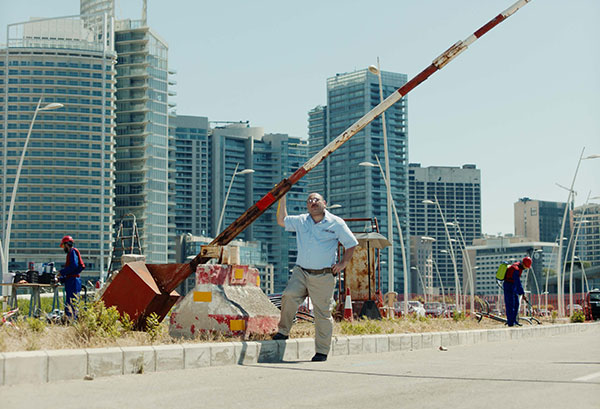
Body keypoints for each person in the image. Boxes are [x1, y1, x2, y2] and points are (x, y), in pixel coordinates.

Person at [273, 192, 358, 362]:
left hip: (323, 275)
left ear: (324, 203)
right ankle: (283, 332)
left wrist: (343, 263)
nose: (313, 202)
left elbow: (351, 243)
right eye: (309, 200)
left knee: (322, 313)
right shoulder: (302, 220)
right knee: (288, 296)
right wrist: (282, 198)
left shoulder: (336, 223)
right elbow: (282, 220)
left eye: (316, 200)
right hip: (301, 272)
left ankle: (321, 351)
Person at [58, 235, 85, 319]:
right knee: (70, 301)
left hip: (73, 281)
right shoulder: (71, 253)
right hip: (71, 280)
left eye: (63, 246)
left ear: (66, 244)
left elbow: (73, 266)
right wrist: (62, 278)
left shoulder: (72, 252)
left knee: (72, 302)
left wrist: (61, 272)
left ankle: (72, 320)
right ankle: (70, 319)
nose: (63, 248)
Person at [503, 256, 531, 327]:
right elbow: (517, 282)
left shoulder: (519, 266)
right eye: (526, 267)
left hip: (513, 286)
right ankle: (510, 323)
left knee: (516, 304)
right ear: (524, 264)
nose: (526, 268)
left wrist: (521, 292)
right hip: (509, 285)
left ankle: (514, 321)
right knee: (510, 305)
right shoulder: (516, 269)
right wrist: (522, 293)